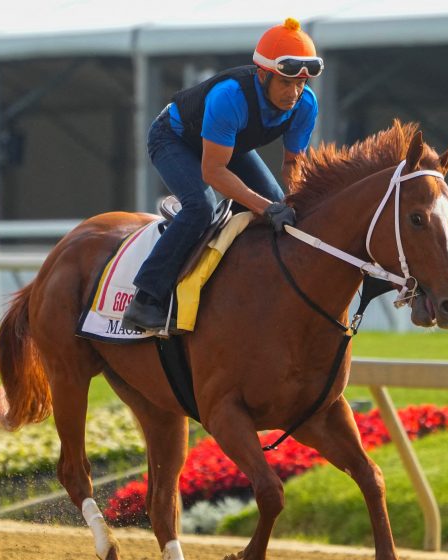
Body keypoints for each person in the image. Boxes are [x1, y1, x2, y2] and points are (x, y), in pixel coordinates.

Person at [123, 17, 322, 334]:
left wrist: (297, 204)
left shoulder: (306, 105)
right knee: (200, 207)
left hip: (229, 144)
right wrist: (265, 207)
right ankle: (145, 299)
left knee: (278, 205)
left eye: (300, 84)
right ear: (262, 75)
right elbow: (213, 171)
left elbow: (292, 166)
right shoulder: (230, 96)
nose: (294, 93)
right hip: (173, 138)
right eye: (286, 83)